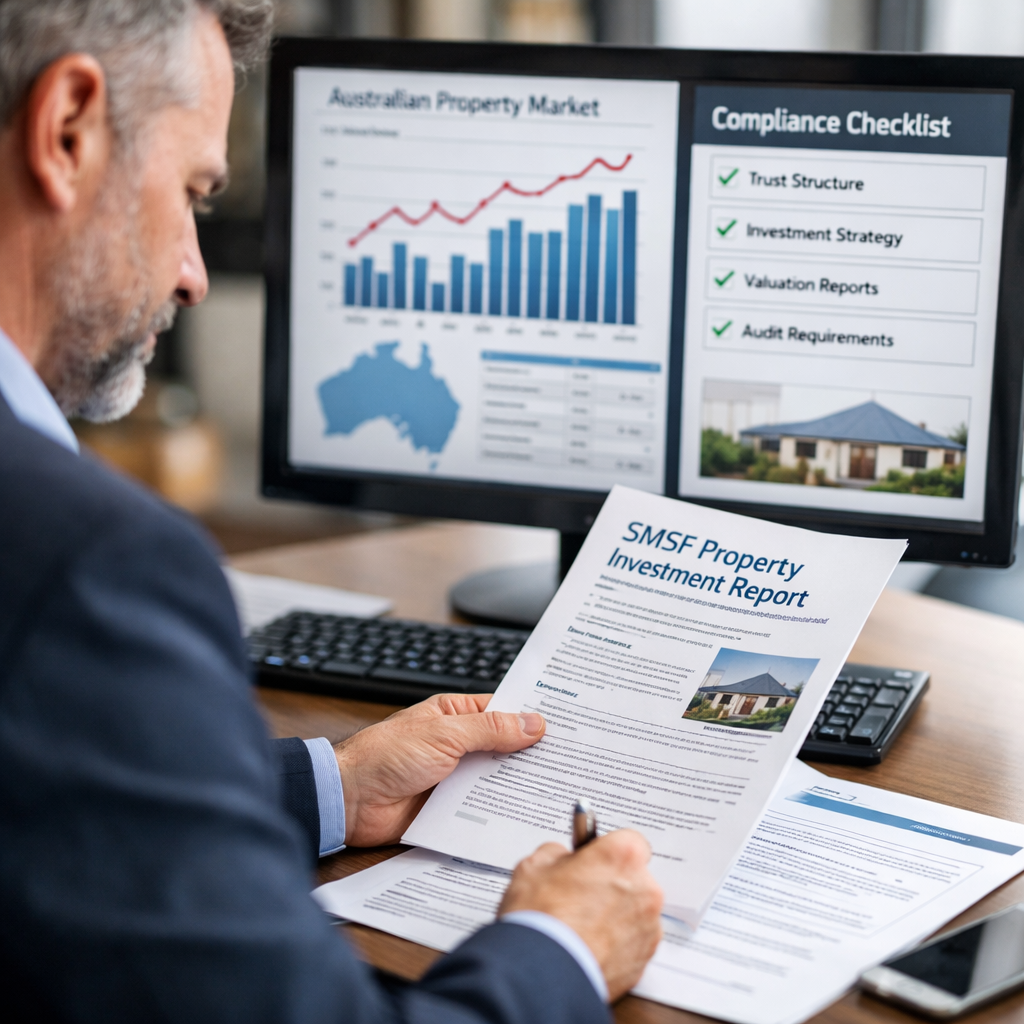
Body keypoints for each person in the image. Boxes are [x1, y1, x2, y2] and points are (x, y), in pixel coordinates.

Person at [0, 3, 664, 1021]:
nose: (192, 272)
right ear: (69, 129)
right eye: (191, 194)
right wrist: (560, 947)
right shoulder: (91, 564)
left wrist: (333, 787)